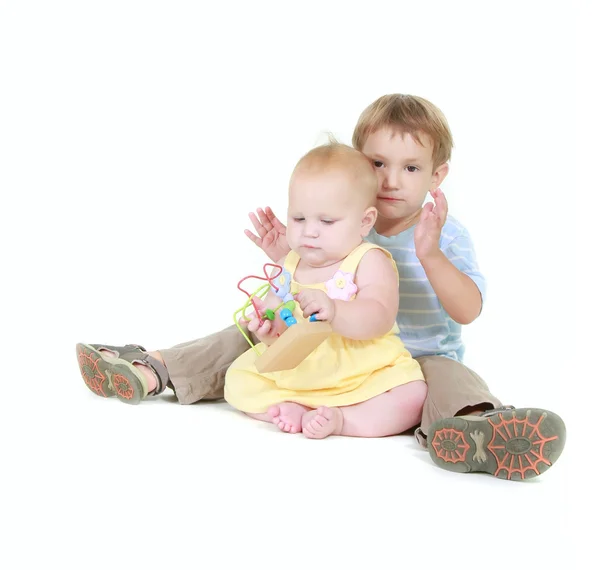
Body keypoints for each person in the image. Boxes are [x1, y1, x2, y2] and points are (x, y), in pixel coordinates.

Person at [76, 94, 566, 479]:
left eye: (411, 168)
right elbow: (312, 275)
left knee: (446, 382)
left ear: (437, 175)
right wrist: (284, 255)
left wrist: (430, 253)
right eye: (377, 164)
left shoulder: (445, 232)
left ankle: (478, 430)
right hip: (333, 346)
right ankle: (154, 369)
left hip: (418, 354)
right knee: (245, 338)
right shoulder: (345, 220)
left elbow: (467, 311)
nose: (391, 180)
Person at [224, 141, 426, 439]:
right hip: (300, 370)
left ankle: (343, 419)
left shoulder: (368, 260)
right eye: (299, 218)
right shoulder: (287, 264)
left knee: (413, 395)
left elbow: (380, 315)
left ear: (364, 222)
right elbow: (277, 321)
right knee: (237, 382)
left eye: (327, 221)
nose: (310, 231)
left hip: (362, 372)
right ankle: (293, 407)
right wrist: (267, 332)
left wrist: (336, 310)